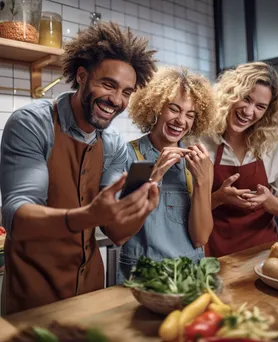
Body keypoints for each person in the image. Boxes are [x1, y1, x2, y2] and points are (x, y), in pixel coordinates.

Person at [0, 22, 159, 315]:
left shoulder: (112, 144)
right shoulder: (33, 124)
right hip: (34, 296)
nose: (116, 100)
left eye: (126, 92)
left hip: (90, 294)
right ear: (82, 76)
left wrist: (143, 206)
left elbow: (117, 233)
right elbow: (17, 216)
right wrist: (86, 216)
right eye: (108, 85)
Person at [117, 67, 217, 283]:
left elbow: (200, 237)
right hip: (142, 277)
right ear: (156, 107)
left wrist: (201, 182)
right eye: (174, 109)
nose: (181, 121)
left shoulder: (199, 163)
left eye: (190, 115)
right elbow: (118, 233)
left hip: (189, 277)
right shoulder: (125, 154)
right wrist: (155, 176)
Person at [203, 62, 278, 257]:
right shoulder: (202, 140)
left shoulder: (274, 144)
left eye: (260, 106)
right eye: (245, 99)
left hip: (265, 252)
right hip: (216, 254)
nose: (249, 112)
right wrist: (219, 198)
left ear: (268, 112)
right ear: (229, 94)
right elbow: (186, 209)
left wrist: (268, 199)